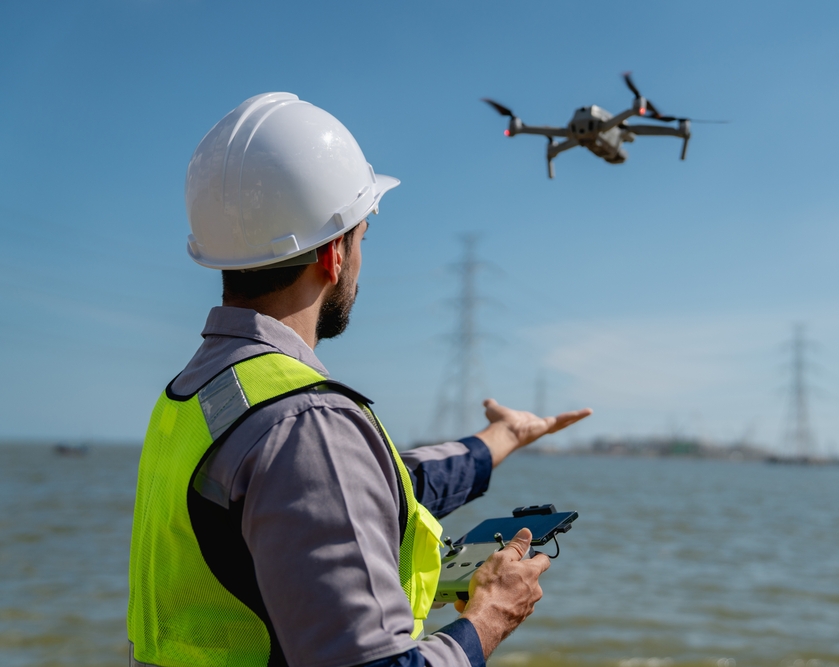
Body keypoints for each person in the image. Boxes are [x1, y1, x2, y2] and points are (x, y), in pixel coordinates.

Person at [127, 92, 592, 667]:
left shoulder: (200, 394)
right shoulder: (307, 424)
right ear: (333, 256)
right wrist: (491, 614)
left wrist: (504, 438)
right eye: (361, 237)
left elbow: (364, 488)